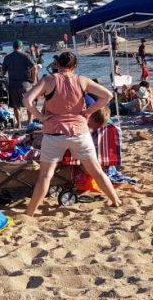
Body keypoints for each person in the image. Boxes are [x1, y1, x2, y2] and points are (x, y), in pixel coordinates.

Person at [22, 51, 121, 214]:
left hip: (54, 133)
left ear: (57, 64)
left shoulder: (49, 80)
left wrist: (40, 116)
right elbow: (107, 96)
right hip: (79, 132)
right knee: (96, 170)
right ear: (74, 66)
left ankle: (30, 212)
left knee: (45, 176)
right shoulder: (82, 80)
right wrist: (88, 111)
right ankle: (115, 200)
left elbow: (27, 99)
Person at [2, 39, 38, 126]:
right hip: (25, 84)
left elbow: (2, 73)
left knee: (15, 106)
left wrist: (5, 79)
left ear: (13, 47)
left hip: (13, 85)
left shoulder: (7, 57)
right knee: (29, 103)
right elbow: (34, 67)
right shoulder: (26, 56)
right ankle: (29, 122)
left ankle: (19, 124)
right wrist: (33, 79)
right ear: (21, 47)